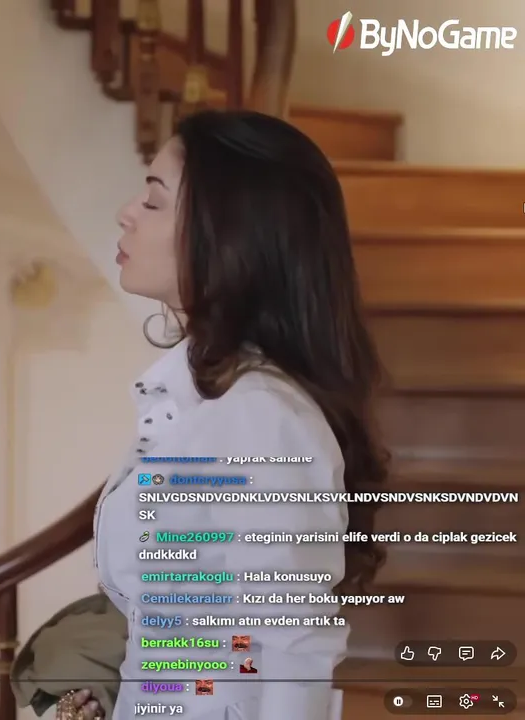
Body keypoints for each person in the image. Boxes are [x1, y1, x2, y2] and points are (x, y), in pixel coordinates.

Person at [55, 110, 389, 720]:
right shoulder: (197, 399)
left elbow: (293, 651)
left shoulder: (261, 416)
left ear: (231, 235)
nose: (126, 213)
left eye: (154, 200)